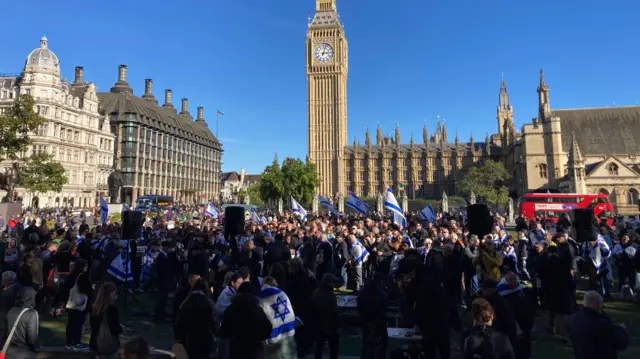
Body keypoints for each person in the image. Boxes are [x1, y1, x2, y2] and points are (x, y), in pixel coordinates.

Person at [218, 282, 272, 359]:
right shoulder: (258, 310)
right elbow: (267, 329)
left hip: (235, 352)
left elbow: (224, 334)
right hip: (254, 352)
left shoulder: (231, 309)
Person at [569, 291, 629, 359]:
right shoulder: (601, 324)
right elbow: (621, 343)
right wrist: (621, 330)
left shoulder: (574, 319)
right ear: (597, 304)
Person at [175, 278, 219, 359]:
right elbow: (214, 321)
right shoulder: (209, 303)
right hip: (206, 337)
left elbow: (179, 321)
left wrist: (179, 337)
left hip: (190, 337)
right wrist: (216, 331)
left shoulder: (186, 303)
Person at [64, 258, 93, 351]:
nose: (87, 267)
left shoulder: (71, 276)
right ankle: (76, 342)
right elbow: (85, 289)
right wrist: (91, 289)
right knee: (78, 323)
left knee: (71, 323)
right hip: (79, 304)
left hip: (71, 302)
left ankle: (69, 342)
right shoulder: (82, 276)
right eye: (86, 266)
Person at [310, 273, 341, 359]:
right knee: (333, 350)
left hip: (318, 326)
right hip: (330, 326)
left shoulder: (315, 293)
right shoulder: (331, 295)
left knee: (319, 349)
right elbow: (334, 313)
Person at [4, 286, 39, 359]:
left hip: (8, 353)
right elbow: (32, 339)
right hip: (24, 354)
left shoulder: (11, 310)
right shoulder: (32, 314)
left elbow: (5, 334)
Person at [90, 282, 123, 359]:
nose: (116, 295)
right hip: (107, 346)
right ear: (111, 293)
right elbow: (114, 329)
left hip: (95, 345)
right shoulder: (111, 310)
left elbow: (94, 327)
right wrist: (121, 328)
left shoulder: (94, 309)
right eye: (115, 293)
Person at [0, 270, 21, 340]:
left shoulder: (11, 289)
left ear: (6, 280)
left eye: (3, 279)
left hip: (8, 311)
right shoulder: (15, 286)